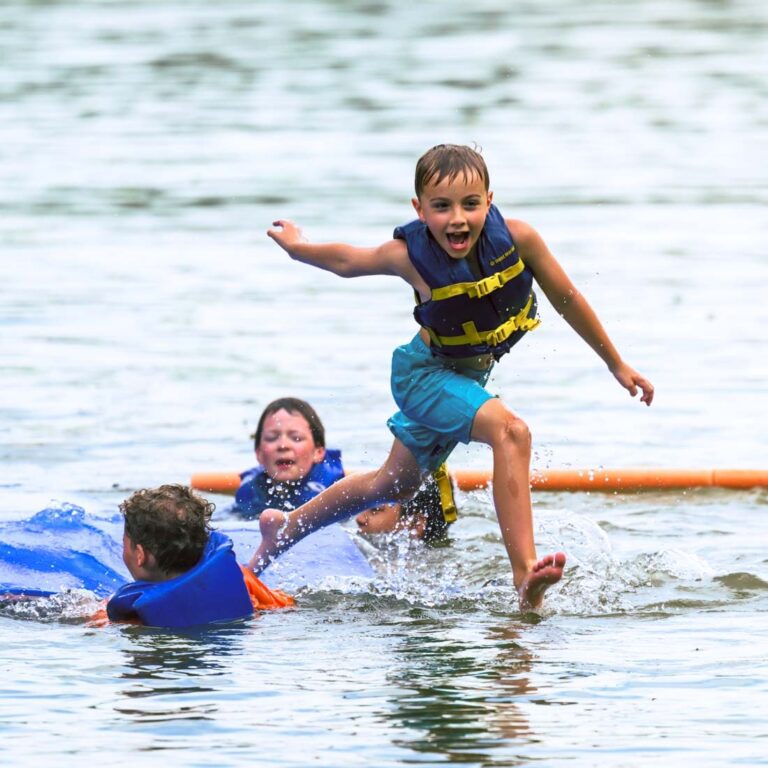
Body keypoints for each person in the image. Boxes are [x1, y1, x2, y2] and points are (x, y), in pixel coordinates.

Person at [251, 144, 654, 611]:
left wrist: (615, 363)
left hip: (463, 380)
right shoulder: (409, 257)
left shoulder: (519, 239)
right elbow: (348, 261)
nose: (457, 219)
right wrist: (299, 248)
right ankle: (524, 576)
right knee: (512, 433)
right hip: (423, 376)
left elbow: (567, 298)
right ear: (419, 210)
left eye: (470, 204)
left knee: (392, 486)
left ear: (489, 200)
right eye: (441, 207)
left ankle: (285, 528)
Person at [230, 396, 457, 542]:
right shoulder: (250, 491)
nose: (283, 445)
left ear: (319, 451)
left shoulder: (340, 492)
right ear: (258, 454)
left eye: (296, 438)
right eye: (272, 438)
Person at [97, 484, 293, 628]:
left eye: (125, 544)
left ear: (140, 555)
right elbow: (283, 604)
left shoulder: (136, 611)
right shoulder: (239, 576)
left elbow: (97, 624)